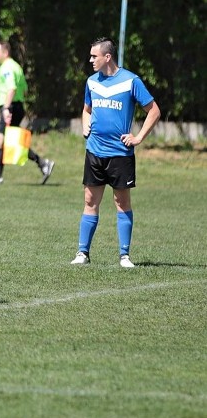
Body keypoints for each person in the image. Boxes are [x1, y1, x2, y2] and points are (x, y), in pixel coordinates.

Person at [71, 37, 161, 268]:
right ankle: (83, 253)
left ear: (107, 57)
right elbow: (86, 110)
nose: (90, 60)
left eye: (94, 56)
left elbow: (154, 111)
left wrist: (138, 137)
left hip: (120, 153)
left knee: (121, 201)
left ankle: (124, 255)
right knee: (90, 200)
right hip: (94, 151)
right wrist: (85, 123)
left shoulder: (131, 81)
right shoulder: (91, 82)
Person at [0, 41, 54, 184]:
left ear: (5, 53)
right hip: (15, 106)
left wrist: (6, 107)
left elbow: (12, 88)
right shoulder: (16, 67)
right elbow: (23, 89)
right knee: (13, 141)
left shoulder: (7, 67)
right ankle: (43, 163)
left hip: (10, 108)